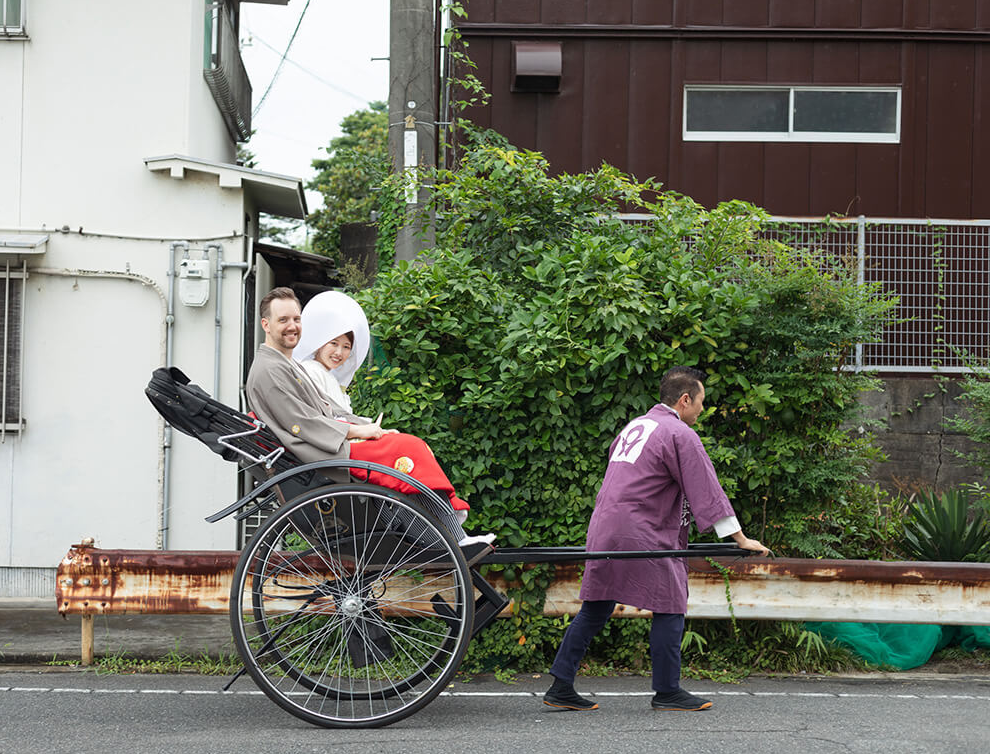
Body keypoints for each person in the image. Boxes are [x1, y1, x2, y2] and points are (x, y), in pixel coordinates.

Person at [543, 366, 769, 713]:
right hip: (641, 529)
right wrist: (739, 538)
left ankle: (561, 685)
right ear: (684, 399)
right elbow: (706, 489)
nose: (701, 410)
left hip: (605, 526)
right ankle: (667, 690)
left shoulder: (635, 425)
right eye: (701, 402)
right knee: (671, 602)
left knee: (597, 605)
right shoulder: (679, 433)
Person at [247, 287, 493, 546]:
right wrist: (356, 431)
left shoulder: (284, 364)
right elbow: (303, 423)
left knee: (403, 451)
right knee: (407, 449)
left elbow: (328, 409)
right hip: (318, 453)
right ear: (266, 324)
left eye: (296, 319)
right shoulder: (269, 369)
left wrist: (368, 427)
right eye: (283, 320)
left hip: (323, 444)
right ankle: (452, 536)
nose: (292, 326)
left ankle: (447, 537)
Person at [291, 290, 370, 415]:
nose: (339, 352)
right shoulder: (311, 372)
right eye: (334, 343)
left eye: (346, 347)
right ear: (320, 342)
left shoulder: (326, 374)